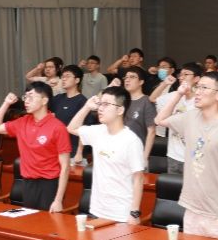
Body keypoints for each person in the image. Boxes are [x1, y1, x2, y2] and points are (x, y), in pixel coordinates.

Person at [155, 72, 218, 240]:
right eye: (197, 87)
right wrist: (179, 94)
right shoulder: (190, 117)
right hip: (192, 208)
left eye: (204, 88)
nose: (198, 92)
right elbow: (160, 120)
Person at [66, 86, 145, 223]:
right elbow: (71, 128)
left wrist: (134, 212)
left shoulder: (131, 141)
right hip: (97, 209)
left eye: (106, 104)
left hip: (121, 213)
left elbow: (139, 178)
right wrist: (87, 107)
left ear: (120, 110)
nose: (100, 109)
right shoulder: (98, 132)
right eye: (100, 104)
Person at [0, 82, 71, 211]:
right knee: (30, 219)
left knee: (48, 222)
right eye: (25, 97)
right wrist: (6, 103)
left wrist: (58, 200)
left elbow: (65, 167)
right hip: (28, 183)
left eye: (31, 97)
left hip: (49, 185)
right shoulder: (23, 122)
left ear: (44, 100)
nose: (26, 101)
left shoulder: (58, 127)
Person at [151, 63, 202, 174]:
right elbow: (153, 98)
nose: (181, 77)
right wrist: (165, 83)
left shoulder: (201, 99)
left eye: (186, 74)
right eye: (180, 74)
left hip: (193, 157)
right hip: (173, 155)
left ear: (197, 79)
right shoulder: (175, 94)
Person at [119, 66, 157, 166]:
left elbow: (151, 131)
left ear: (141, 82)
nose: (127, 80)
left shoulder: (146, 101)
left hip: (137, 153)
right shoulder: (121, 100)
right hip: (119, 151)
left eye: (132, 77)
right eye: (126, 77)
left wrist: (145, 157)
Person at [50, 65, 88, 161]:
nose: (63, 79)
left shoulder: (83, 101)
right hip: (56, 147)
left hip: (73, 149)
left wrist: (79, 152)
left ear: (77, 80)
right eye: (62, 76)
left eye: (67, 76)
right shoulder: (58, 98)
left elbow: (84, 129)